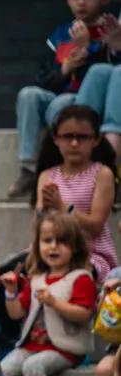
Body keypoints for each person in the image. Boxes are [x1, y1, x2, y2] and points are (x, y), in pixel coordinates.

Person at [8, 0, 121, 199]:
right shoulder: (60, 34)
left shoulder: (109, 30)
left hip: (84, 103)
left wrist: (103, 46)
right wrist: (66, 67)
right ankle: (28, 168)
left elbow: (106, 76)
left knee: (64, 103)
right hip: (58, 96)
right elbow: (45, 79)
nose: (82, 2)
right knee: (29, 94)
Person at [0, 210, 97, 376]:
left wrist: (55, 303)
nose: (53, 247)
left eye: (62, 241)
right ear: (38, 245)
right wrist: (11, 292)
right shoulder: (36, 278)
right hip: (31, 345)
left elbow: (84, 314)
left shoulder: (80, 278)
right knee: (3, 369)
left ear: (74, 247)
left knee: (33, 367)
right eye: (47, 241)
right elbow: (16, 314)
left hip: (65, 349)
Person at [34, 105, 118, 282]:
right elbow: (39, 224)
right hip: (52, 249)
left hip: (91, 254)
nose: (74, 143)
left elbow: (95, 225)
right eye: (67, 137)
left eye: (82, 137)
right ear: (56, 139)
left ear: (95, 140)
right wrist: (44, 210)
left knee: (74, 273)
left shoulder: (102, 174)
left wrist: (63, 207)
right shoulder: (47, 175)